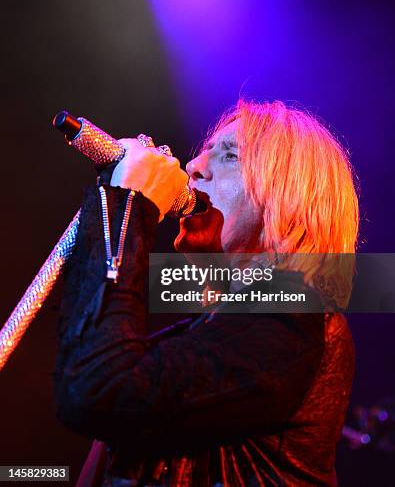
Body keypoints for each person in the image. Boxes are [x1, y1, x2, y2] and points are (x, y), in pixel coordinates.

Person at [54, 99, 359, 486]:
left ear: (289, 198)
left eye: (230, 156)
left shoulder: (297, 318)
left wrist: (129, 204)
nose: (193, 167)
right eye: (202, 153)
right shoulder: (206, 335)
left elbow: (98, 390)